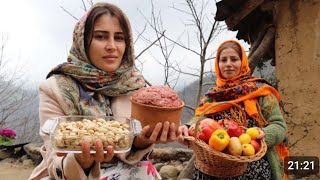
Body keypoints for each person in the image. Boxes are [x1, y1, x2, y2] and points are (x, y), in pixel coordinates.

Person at [29, 2, 179, 180]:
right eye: (100, 37)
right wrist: (80, 161)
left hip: (127, 171)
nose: (112, 46)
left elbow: (133, 152)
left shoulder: (135, 87)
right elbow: (54, 160)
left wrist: (142, 141)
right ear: (83, 41)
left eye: (119, 38)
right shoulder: (55, 88)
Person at [178, 40, 289, 180]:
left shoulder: (260, 92)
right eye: (223, 60)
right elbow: (202, 119)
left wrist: (264, 134)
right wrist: (188, 127)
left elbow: (279, 126)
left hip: (254, 168)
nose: (228, 64)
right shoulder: (212, 96)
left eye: (234, 59)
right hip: (213, 170)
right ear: (218, 65)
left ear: (242, 62)